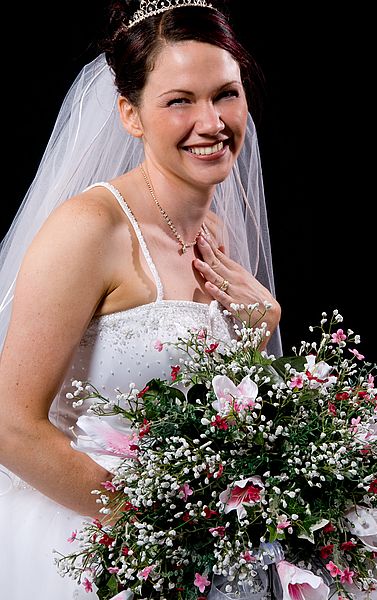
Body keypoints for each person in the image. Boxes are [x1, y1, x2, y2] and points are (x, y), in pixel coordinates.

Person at [0, 1, 281, 597]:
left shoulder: (215, 233)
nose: (211, 122)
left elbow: (214, 414)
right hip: (100, 543)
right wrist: (150, 527)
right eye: (179, 100)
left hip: (203, 547)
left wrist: (258, 331)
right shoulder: (90, 230)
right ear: (130, 114)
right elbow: (9, 426)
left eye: (225, 94)